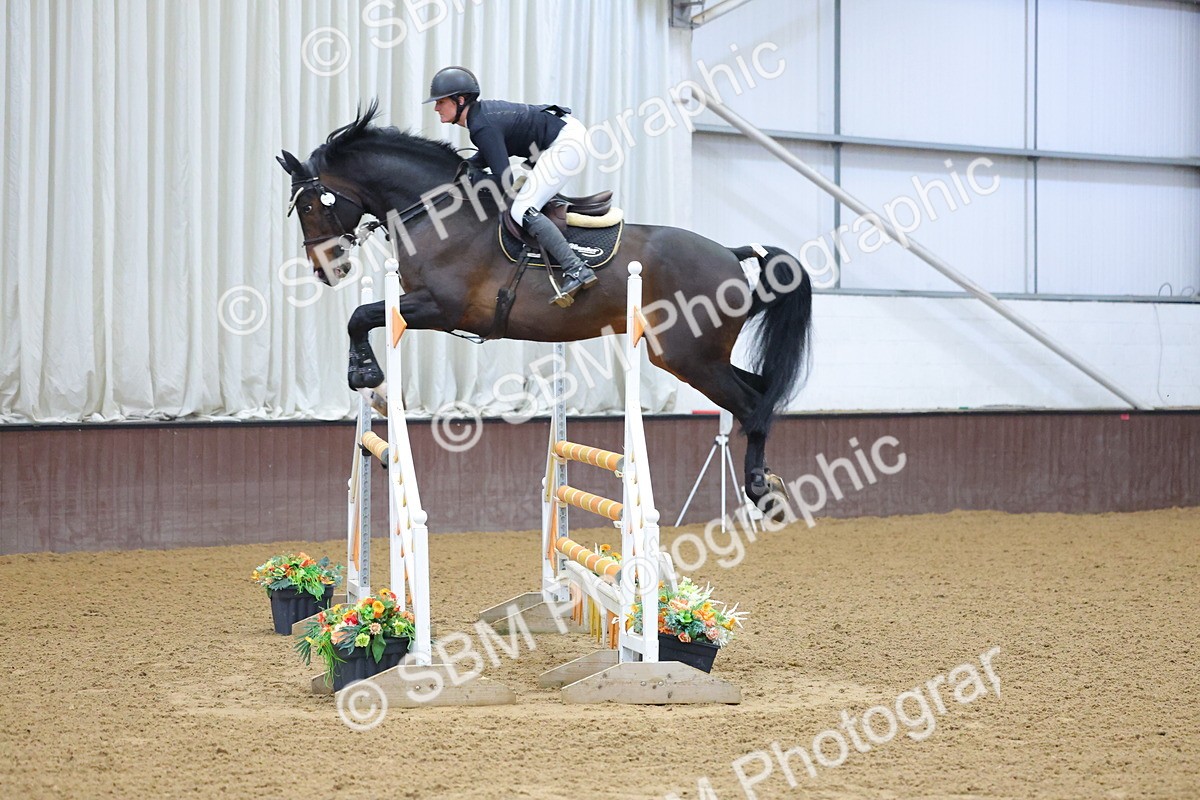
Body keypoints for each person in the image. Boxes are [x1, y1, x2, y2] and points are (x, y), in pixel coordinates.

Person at [424, 66, 598, 305]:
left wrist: (469, 179)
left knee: (521, 209)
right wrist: (464, 169)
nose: (436, 107)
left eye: (441, 101)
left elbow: (503, 181)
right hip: (561, 138)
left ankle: (576, 268)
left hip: (566, 143)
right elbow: (486, 157)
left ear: (460, 100)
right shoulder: (480, 119)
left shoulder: (481, 125)